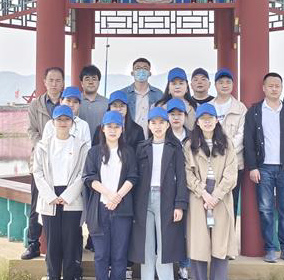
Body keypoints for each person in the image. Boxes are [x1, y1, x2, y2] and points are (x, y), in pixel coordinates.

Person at [243, 72, 284, 264]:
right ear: (264, 88)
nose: (274, 89)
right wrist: (252, 167)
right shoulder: (254, 112)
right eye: (270, 85)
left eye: (277, 85)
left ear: (281, 88)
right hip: (263, 168)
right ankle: (270, 248)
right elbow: (248, 142)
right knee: (265, 209)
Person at [129, 107, 188, 280]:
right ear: (148, 125)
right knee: (146, 246)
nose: (157, 126)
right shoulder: (141, 147)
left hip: (167, 199)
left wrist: (179, 204)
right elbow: (134, 177)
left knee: (165, 247)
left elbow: (182, 178)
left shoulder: (175, 147)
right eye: (153, 123)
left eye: (161, 122)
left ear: (167, 125)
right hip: (144, 200)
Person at [32, 105, 89, 280]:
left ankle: (71, 275)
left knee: (71, 241)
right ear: (53, 122)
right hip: (49, 197)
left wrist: (67, 196)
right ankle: (53, 275)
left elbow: (83, 173)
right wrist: (50, 196)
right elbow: (37, 172)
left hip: (72, 197)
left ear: (72, 122)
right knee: (52, 242)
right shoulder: (43, 145)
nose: (63, 123)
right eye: (59, 120)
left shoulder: (81, 145)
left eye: (66, 119)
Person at [184, 103, 238, 280]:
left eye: (210, 118)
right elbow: (188, 174)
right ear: (197, 122)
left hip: (221, 195)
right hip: (198, 195)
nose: (207, 122)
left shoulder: (227, 143)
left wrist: (216, 195)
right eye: (203, 119)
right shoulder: (190, 145)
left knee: (220, 244)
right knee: (198, 243)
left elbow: (231, 173)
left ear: (216, 120)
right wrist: (204, 193)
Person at [83, 111, 139, 280]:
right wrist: (109, 194)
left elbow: (133, 177)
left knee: (119, 255)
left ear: (122, 129)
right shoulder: (94, 152)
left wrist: (118, 197)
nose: (113, 130)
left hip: (122, 210)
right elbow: (89, 178)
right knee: (101, 255)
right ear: (102, 129)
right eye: (109, 127)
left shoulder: (128, 152)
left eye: (116, 127)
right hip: (100, 209)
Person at [24, 66, 64, 260]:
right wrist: (45, 147)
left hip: (63, 163)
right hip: (40, 161)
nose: (54, 84)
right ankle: (33, 244)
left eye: (58, 80)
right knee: (36, 204)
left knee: (64, 204)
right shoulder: (35, 105)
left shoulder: (68, 103)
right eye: (51, 80)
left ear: (63, 83)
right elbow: (32, 131)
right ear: (44, 82)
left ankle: (63, 246)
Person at [209, 68, 247, 219]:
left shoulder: (240, 108)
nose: (225, 85)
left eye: (228, 82)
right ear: (215, 85)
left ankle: (230, 233)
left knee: (232, 202)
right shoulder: (208, 107)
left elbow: (242, 135)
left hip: (234, 163)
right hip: (211, 163)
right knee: (212, 202)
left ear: (233, 84)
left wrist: (225, 152)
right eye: (221, 82)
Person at [165, 98, 191, 280]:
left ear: (185, 116)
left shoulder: (193, 136)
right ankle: (165, 267)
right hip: (169, 190)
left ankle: (185, 267)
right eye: (172, 114)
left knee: (187, 230)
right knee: (169, 229)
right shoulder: (163, 136)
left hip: (191, 187)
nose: (176, 118)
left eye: (179, 114)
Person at [121, 58, 163, 138]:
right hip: (129, 138)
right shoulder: (123, 94)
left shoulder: (158, 94)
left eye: (145, 68)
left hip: (152, 137)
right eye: (137, 68)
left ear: (150, 73)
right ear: (132, 73)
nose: (141, 71)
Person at [78, 65, 110, 136]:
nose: (91, 82)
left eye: (94, 79)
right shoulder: (75, 102)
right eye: (87, 79)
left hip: (100, 142)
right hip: (79, 142)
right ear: (82, 83)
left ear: (99, 82)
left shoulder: (107, 103)